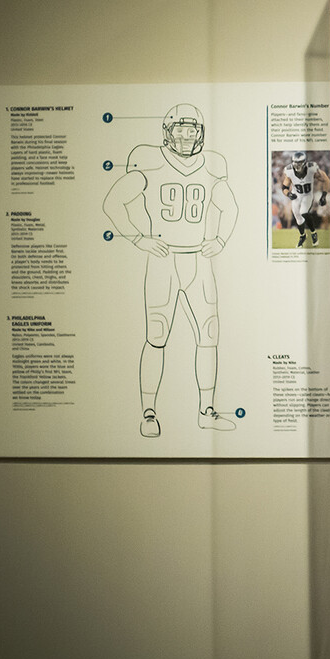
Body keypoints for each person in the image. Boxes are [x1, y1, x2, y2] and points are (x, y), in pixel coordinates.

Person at [103, 103, 238, 437]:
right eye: (179, 129)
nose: (186, 136)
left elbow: (230, 206)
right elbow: (112, 202)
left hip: (198, 261)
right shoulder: (149, 163)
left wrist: (220, 240)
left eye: (192, 130)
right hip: (164, 260)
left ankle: (206, 410)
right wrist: (138, 238)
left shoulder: (211, 166)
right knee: (157, 335)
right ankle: (149, 413)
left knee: (208, 336)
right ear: (167, 131)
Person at [281, 150, 330, 247]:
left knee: (304, 212)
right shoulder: (289, 171)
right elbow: (284, 188)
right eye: (295, 162)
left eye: (299, 163)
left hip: (307, 195)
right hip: (296, 195)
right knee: (297, 216)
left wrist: (324, 195)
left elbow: (326, 179)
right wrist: (289, 194)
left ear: (304, 162)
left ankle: (313, 233)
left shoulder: (312, 168)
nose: (297, 165)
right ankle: (303, 236)